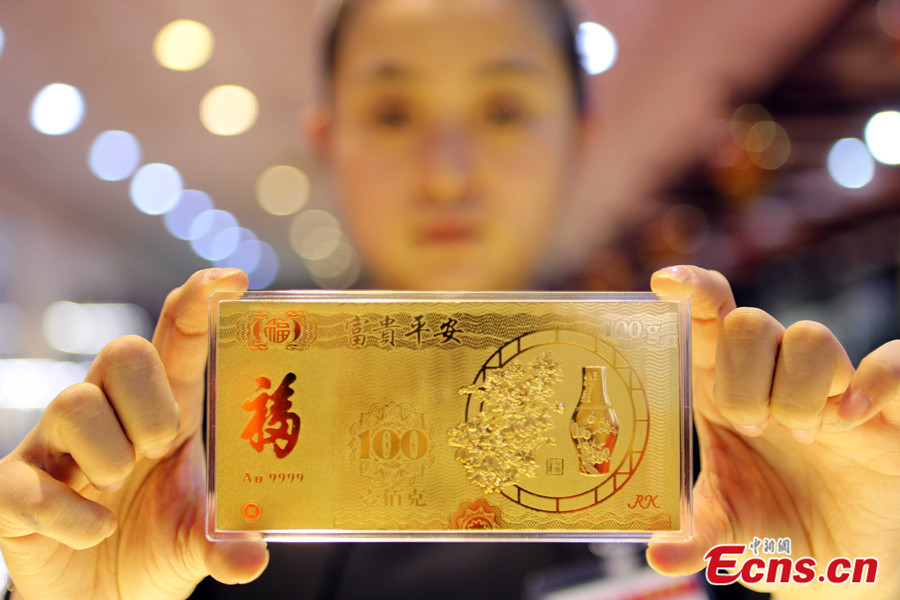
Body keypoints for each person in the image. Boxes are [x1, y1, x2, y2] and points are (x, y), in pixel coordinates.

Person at [1, 0, 898, 599]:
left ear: (577, 136)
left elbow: (809, 565)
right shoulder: (187, 470)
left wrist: (865, 570)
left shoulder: (726, 442)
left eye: (503, 110)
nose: (445, 173)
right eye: (393, 114)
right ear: (327, 138)